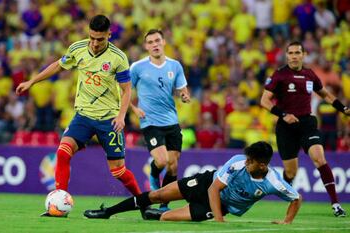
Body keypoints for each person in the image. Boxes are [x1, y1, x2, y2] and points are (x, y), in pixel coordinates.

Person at [16, 15, 143, 214]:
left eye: (100, 39)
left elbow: (126, 90)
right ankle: (58, 204)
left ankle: (142, 202)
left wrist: (120, 116)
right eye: (91, 37)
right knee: (62, 152)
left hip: (108, 119)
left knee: (118, 171)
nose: (94, 43)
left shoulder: (118, 57)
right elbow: (58, 65)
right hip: (83, 116)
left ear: (109, 35)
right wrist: (32, 82)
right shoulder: (78, 48)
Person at [83, 141, 301, 223]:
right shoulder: (237, 162)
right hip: (207, 184)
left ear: (262, 165)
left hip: (219, 206)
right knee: (157, 195)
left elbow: (296, 198)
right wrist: (219, 221)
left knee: (166, 218)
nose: (246, 163)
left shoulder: (274, 181)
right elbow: (215, 188)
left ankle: (155, 214)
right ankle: (107, 212)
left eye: (251, 161)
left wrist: (287, 222)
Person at [260, 41, 349, 217]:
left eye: (297, 53)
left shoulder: (310, 74)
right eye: (291, 53)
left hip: (307, 124)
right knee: (291, 171)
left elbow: (326, 95)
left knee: (319, 159)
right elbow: (264, 101)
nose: (294, 56)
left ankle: (336, 204)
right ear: (286, 56)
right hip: (286, 127)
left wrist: (343, 109)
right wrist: (283, 114)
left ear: (304, 55)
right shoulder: (279, 75)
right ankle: (288, 195)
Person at [129, 29, 190, 210]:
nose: (154, 44)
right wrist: (134, 109)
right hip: (150, 121)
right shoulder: (137, 67)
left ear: (163, 42)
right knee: (162, 161)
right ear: (146, 46)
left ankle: (164, 203)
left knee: (173, 166)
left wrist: (184, 96)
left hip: (171, 121)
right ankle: (154, 176)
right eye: (150, 42)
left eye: (157, 40)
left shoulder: (175, 66)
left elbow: (182, 89)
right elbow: (122, 91)